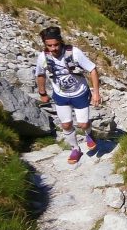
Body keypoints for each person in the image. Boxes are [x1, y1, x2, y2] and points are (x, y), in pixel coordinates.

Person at [35, 26, 101, 164]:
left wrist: (96, 93)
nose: (53, 48)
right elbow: (40, 74)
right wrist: (42, 92)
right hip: (61, 95)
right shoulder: (43, 57)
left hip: (80, 93)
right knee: (66, 125)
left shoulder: (74, 53)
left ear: (61, 41)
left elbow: (92, 69)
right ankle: (75, 149)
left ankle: (89, 134)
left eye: (56, 44)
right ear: (45, 44)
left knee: (83, 124)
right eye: (49, 46)